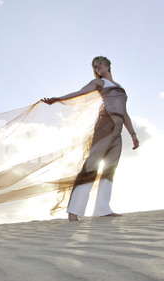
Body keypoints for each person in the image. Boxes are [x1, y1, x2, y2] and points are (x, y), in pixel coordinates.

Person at [42, 56, 139, 221]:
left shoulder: (120, 87)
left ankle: (103, 209)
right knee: (91, 165)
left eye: (99, 64)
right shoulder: (99, 84)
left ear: (107, 65)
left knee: (110, 169)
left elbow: (125, 112)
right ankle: (74, 211)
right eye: (95, 66)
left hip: (117, 131)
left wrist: (133, 134)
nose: (97, 67)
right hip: (105, 125)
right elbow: (79, 93)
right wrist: (57, 99)